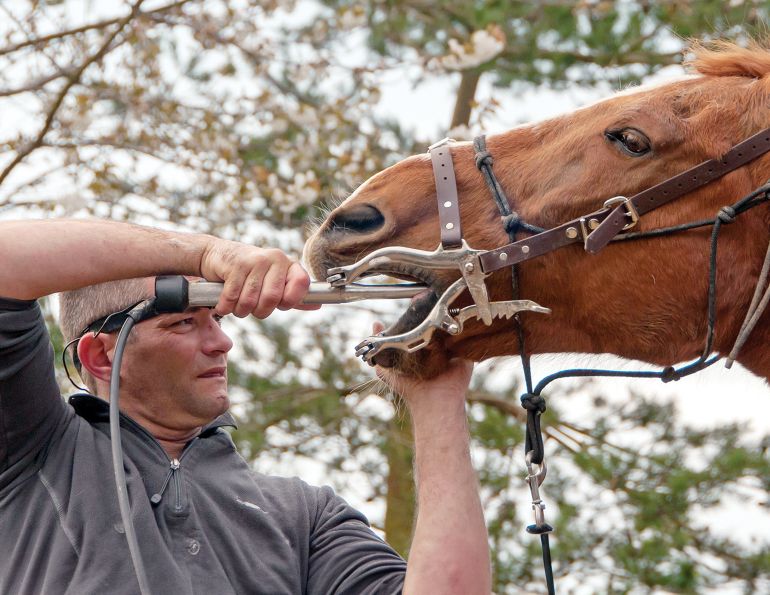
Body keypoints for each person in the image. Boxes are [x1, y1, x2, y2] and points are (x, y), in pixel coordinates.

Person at [0, 218, 491, 594]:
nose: (222, 343)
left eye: (215, 317)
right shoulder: (33, 451)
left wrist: (438, 398)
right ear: (103, 356)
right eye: (184, 323)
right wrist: (209, 253)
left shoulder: (303, 516)